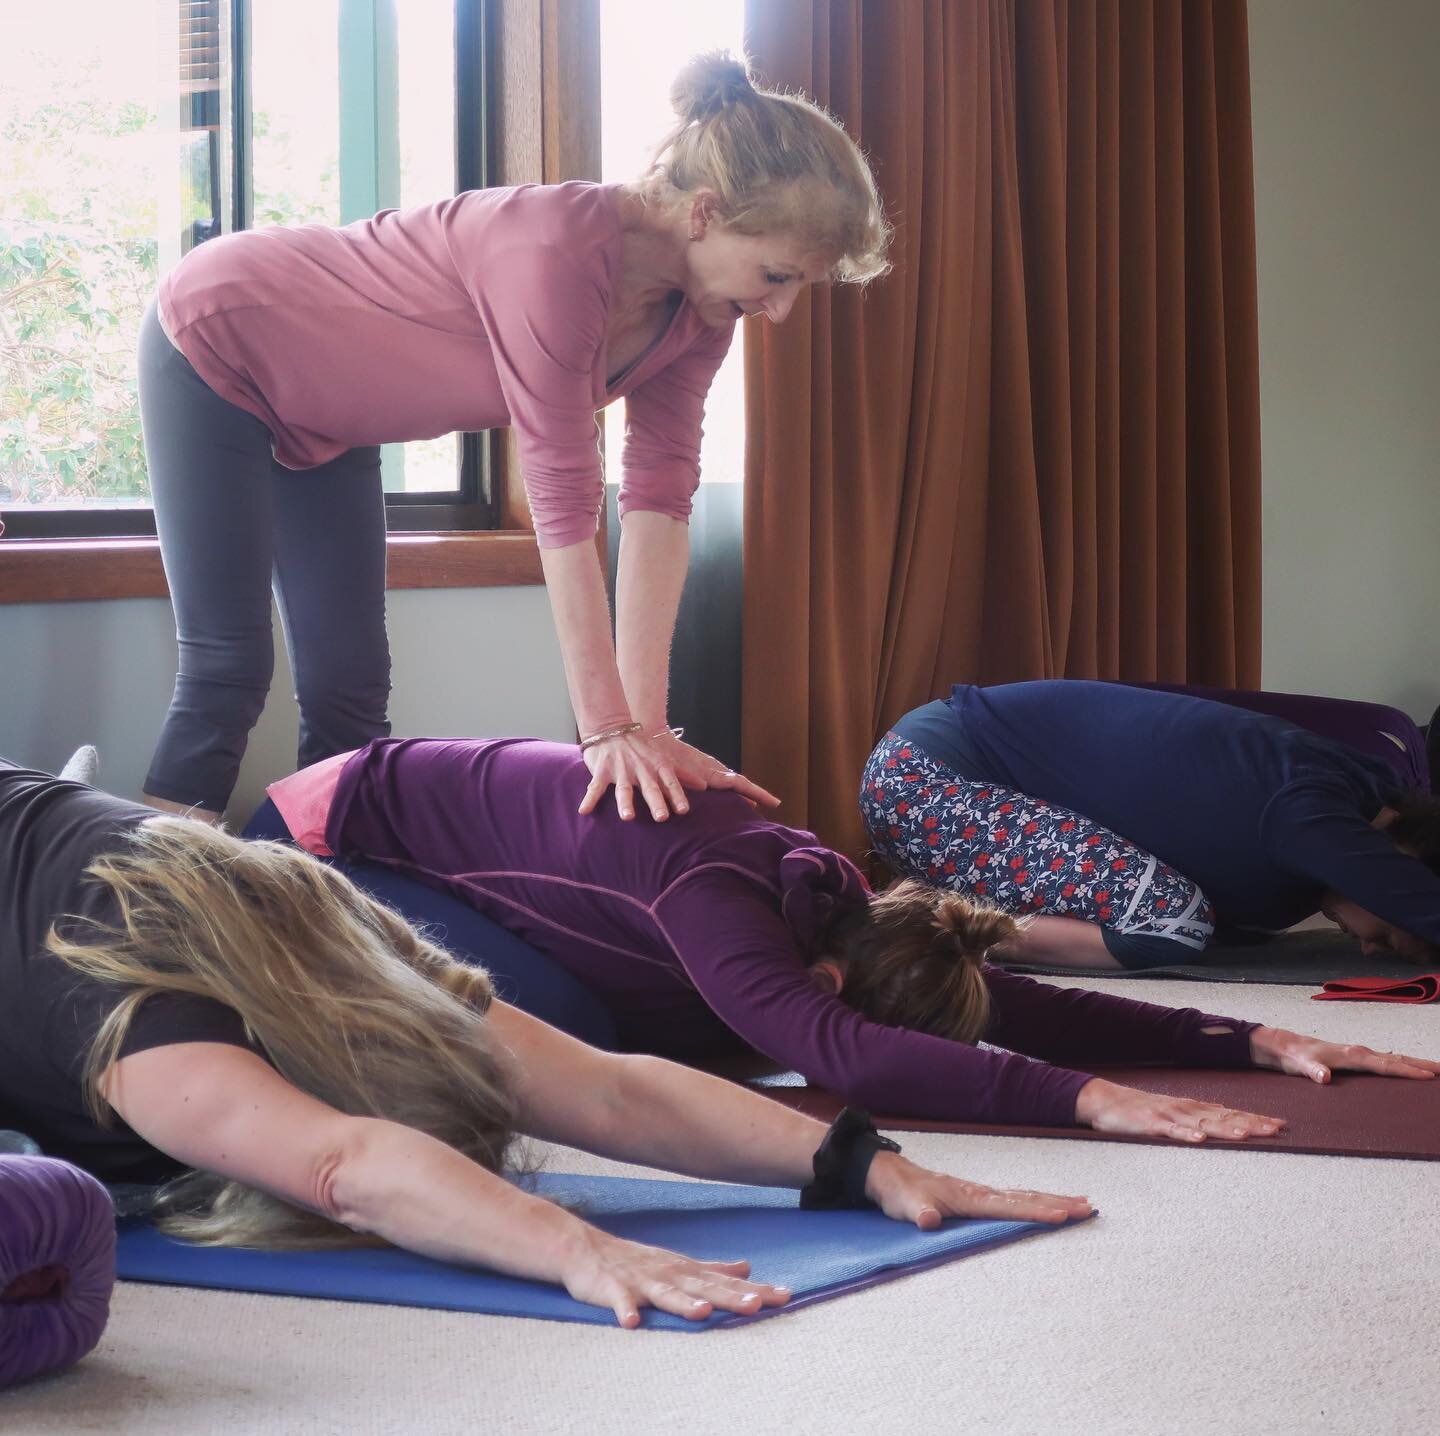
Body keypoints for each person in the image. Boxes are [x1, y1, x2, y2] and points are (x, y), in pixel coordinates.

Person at [0, 758, 1096, 1330]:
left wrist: (861, 1159)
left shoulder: (333, 927)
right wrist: (573, 1244)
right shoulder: (150, 1039)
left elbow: (610, 1093)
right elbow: (343, 1169)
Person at [137, 51, 889, 823]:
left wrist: (649, 728)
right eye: (778, 275)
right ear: (704, 214)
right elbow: (562, 494)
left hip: (335, 418)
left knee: (350, 689)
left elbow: (660, 501)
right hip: (222, 341)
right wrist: (604, 728)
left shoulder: (701, 310)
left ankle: (330, 917)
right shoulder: (552, 249)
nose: (783, 310)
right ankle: (139, 923)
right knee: (230, 669)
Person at [253, 738, 1438, 1142]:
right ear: (828, 976)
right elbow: (853, 1055)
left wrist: (1246, 1035)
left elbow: (1007, 1004)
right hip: (322, 838)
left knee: (683, 1029)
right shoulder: (720, 893)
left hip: (439, 846)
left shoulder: (852, 917)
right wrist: (1091, 1103)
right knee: (568, 1046)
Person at [860, 680, 1440, 970]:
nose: (1368, 948)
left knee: (1193, 920)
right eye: (1387, 934)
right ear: (1401, 854)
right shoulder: (1312, 809)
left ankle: (938, 900)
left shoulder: (1352, 786)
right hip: (926, 781)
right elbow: (1419, 901)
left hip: (937, 784)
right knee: (1171, 922)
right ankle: (933, 925)